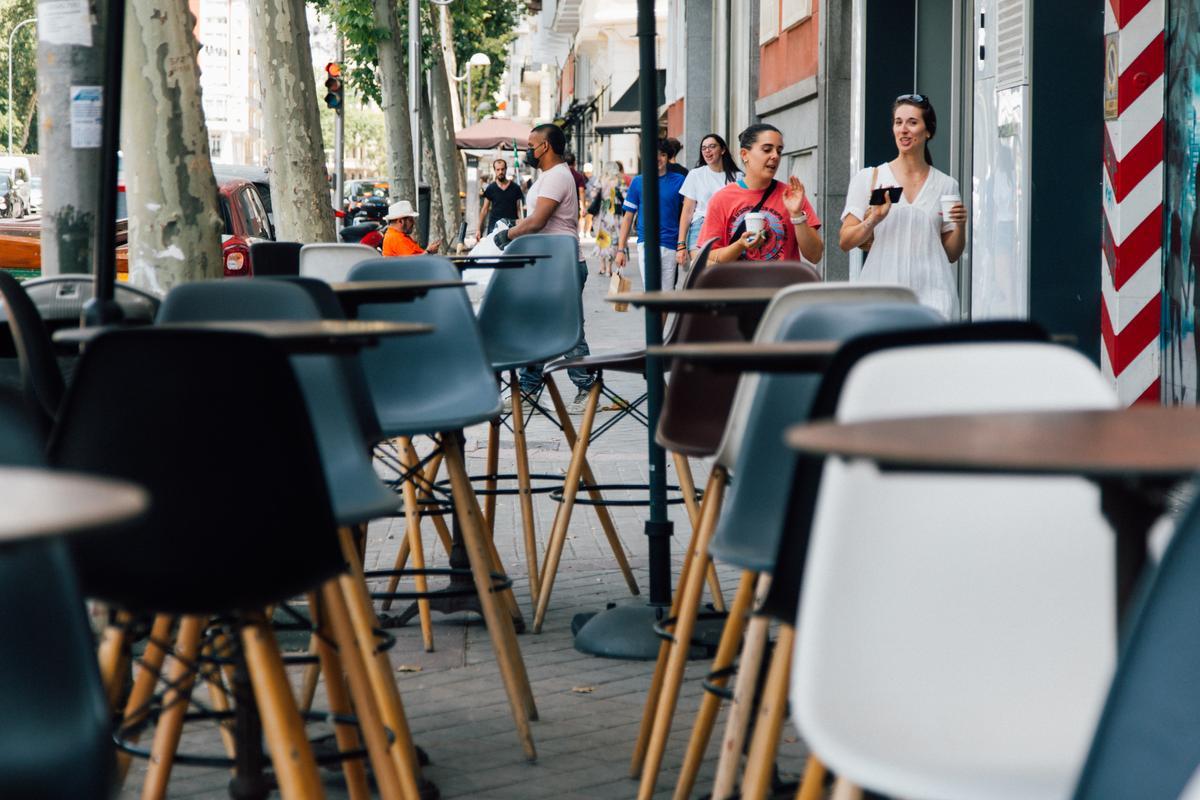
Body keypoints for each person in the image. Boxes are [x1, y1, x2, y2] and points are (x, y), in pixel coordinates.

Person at [492, 123, 595, 411]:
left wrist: (508, 235)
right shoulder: (550, 176)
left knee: (568, 328)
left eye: (530, 145)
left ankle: (588, 388)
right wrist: (515, 227)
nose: (528, 150)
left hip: (562, 264)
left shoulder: (556, 177)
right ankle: (528, 388)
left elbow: (538, 221)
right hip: (550, 263)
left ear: (545, 146)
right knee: (536, 324)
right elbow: (536, 220)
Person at [839, 93, 967, 318]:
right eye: (898, 122)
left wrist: (961, 225)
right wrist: (873, 220)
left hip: (935, 299)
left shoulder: (946, 185)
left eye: (912, 122)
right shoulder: (869, 178)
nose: (903, 129)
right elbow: (845, 241)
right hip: (881, 298)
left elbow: (951, 253)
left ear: (928, 131)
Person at [701, 123, 824, 266]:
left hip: (782, 286)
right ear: (744, 155)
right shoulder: (722, 199)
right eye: (767, 150)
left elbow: (815, 256)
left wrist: (797, 215)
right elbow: (708, 256)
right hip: (736, 286)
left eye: (779, 151)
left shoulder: (792, 196)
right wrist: (740, 245)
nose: (775, 156)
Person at [614, 139, 687, 291]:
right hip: (646, 243)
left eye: (662, 155)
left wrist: (682, 245)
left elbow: (687, 214)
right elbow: (628, 218)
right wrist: (620, 250)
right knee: (652, 292)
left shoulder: (679, 181)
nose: (657, 159)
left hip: (671, 244)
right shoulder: (638, 182)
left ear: (667, 157)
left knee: (666, 295)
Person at [676, 133, 742, 269]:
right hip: (701, 226)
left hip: (729, 228)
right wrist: (681, 244)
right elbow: (687, 211)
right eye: (704, 148)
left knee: (725, 270)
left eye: (712, 147)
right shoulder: (695, 174)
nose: (707, 151)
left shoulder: (738, 177)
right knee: (703, 268)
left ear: (723, 150)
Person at [476, 158, 524, 239]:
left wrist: (522, 226)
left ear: (506, 169)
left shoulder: (516, 188)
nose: (500, 172)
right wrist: (478, 229)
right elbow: (484, 209)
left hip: (512, 227)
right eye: (498, 170)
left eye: (502, 169)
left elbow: (519, 209)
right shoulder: (491, 188)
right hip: (494, 227)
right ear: (494, 170)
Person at [593, 163, 624, 277]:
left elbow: (593, 194)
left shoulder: (600, 180)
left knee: (602, 239)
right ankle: (609, 269)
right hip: (615, 214)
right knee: (613, 241)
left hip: (603, 213)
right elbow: (625, 195)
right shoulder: (619, 181)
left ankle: (602, 267)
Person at [565, 152, 589, 224]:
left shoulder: (560, 175)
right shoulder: (578, 176)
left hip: (561, 206)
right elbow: (581, 191)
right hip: (574, 206)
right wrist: (583, 207)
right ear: (574, 163)